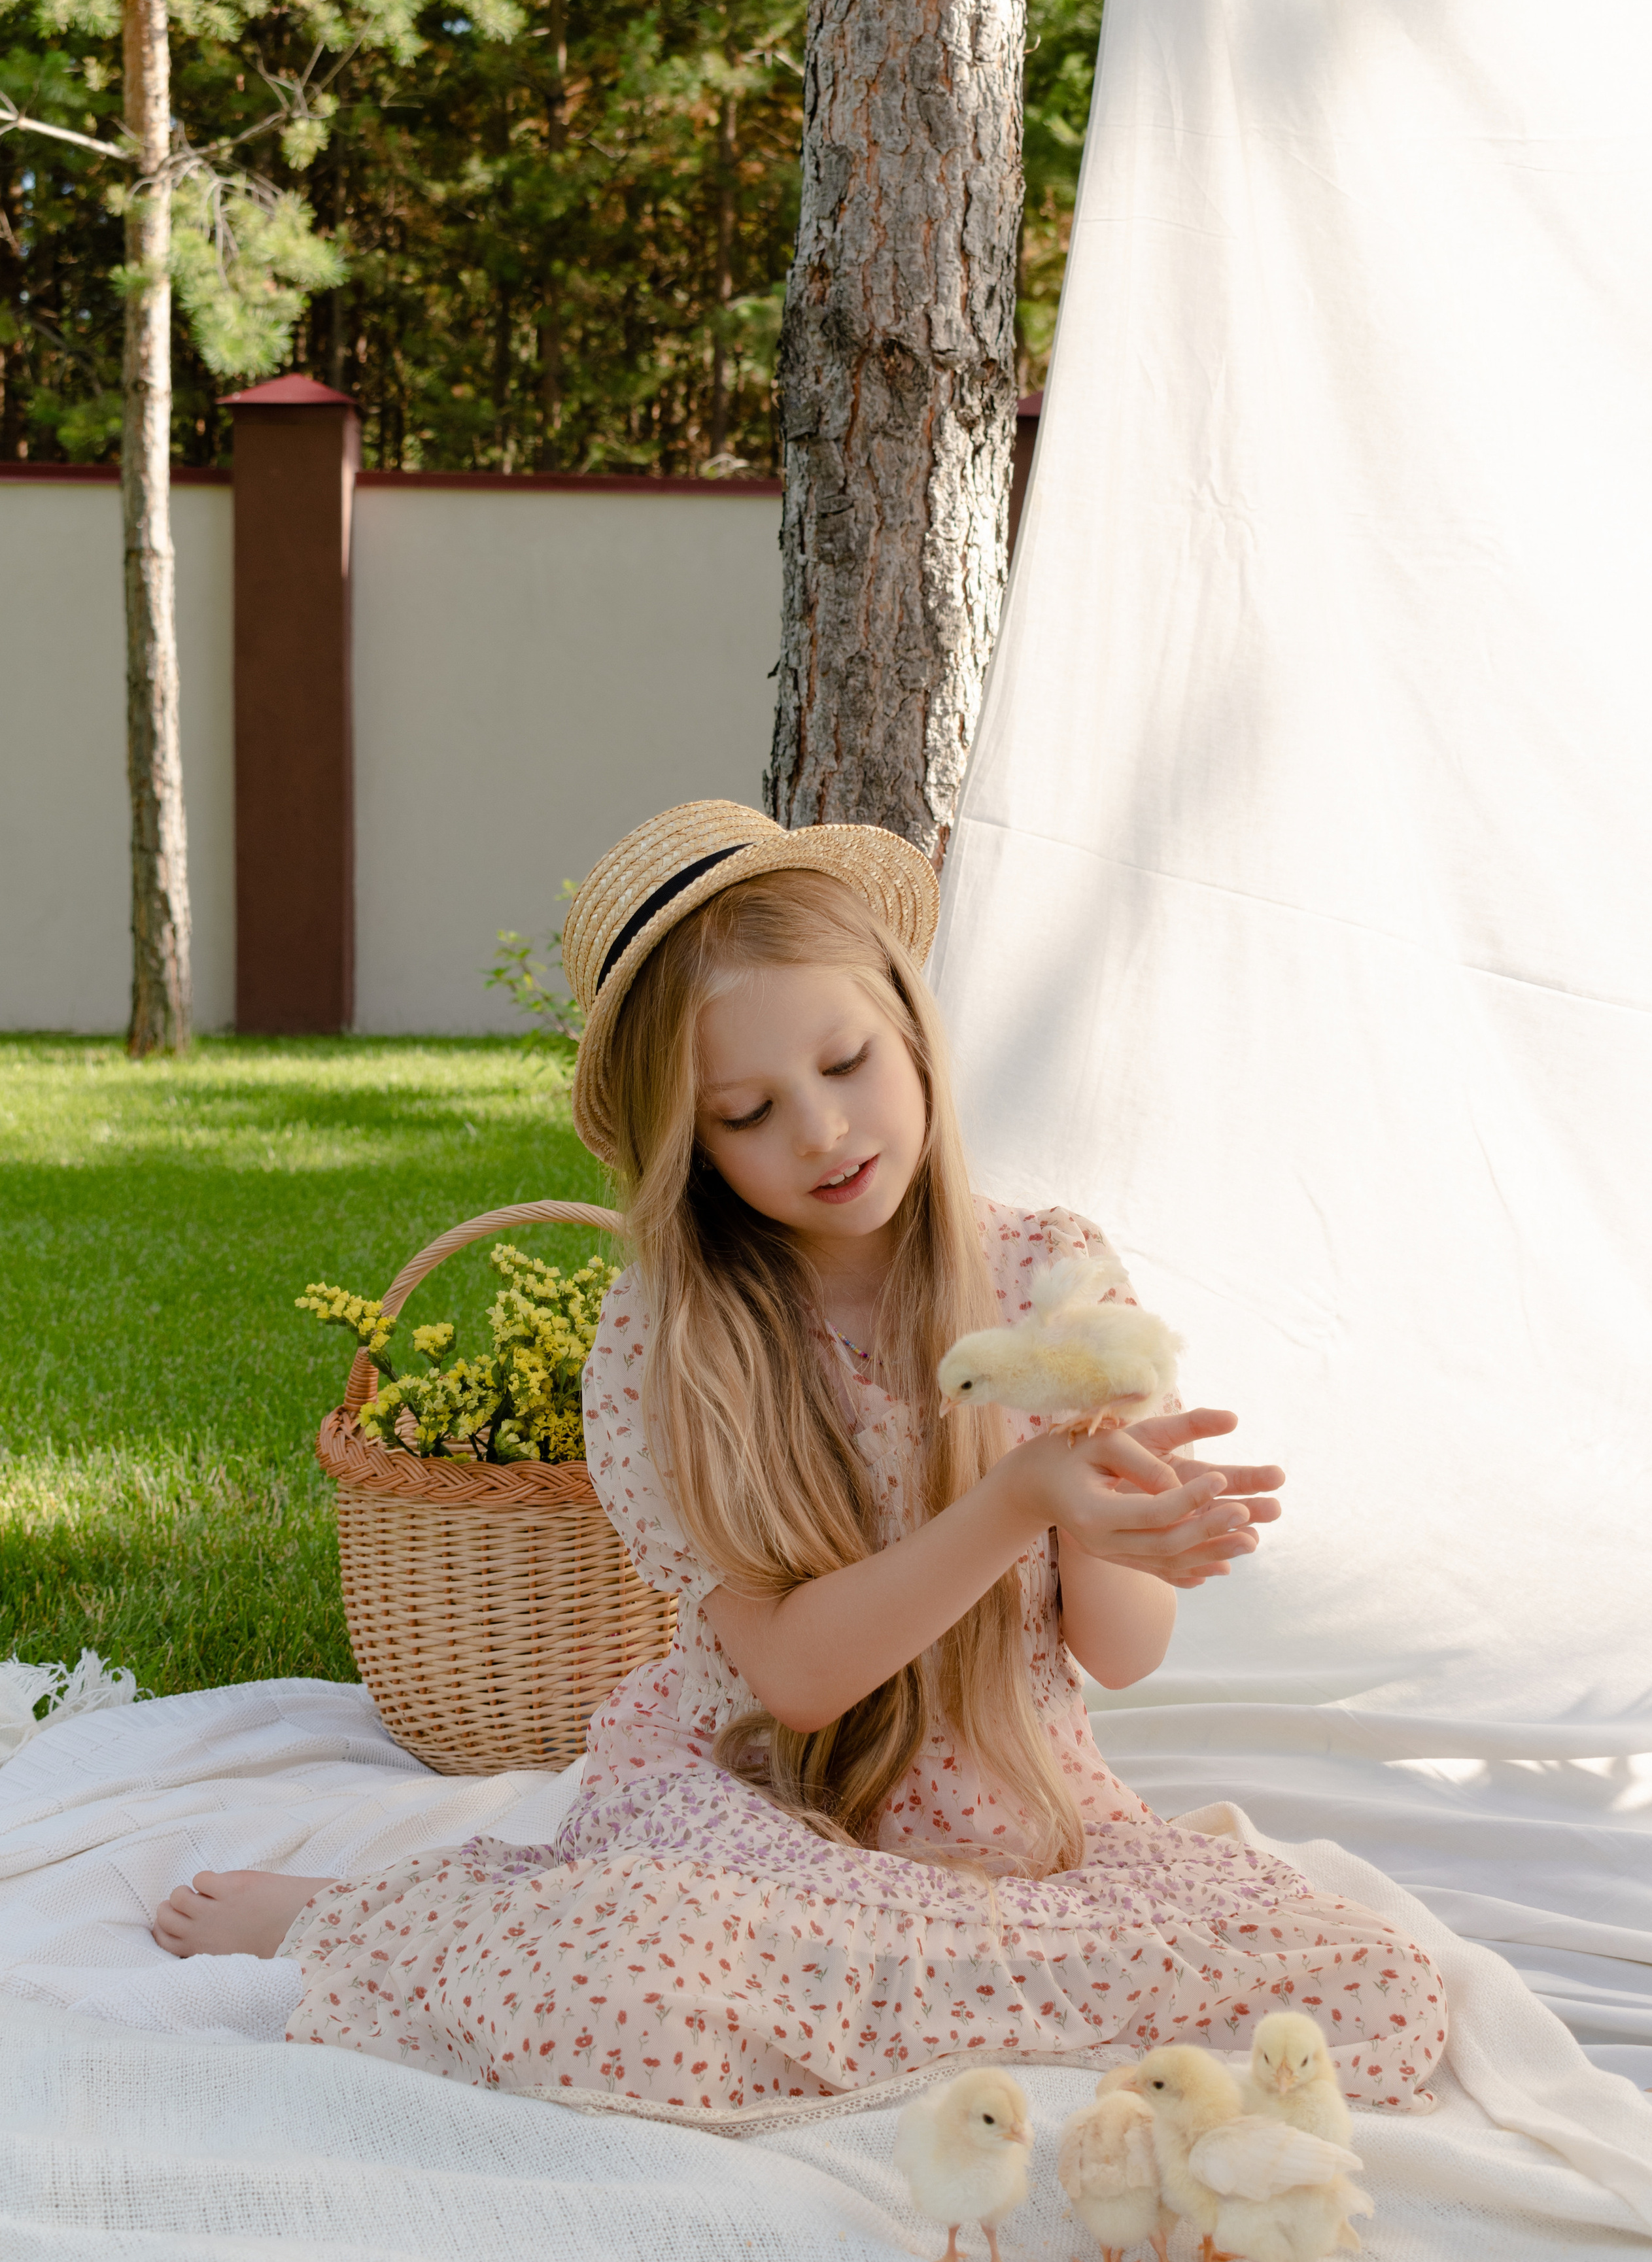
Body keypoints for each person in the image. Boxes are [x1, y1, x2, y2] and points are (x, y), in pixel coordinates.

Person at [154, 799, 1445, 2118]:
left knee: (1365, 1996)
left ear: (908, 1028)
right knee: (640, 2008)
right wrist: (1015, 1500)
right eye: (748, 1111)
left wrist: (1114, 1496)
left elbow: (1123, 1652)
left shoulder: (1045, 1279)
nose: (822, 1132)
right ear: (690, 1145)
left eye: (844, 1062)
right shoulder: (674, 1344)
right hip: (757, 1827)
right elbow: (798, 1679)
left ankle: (872, 1983)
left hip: (1009, 1831)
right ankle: (391, 1924)